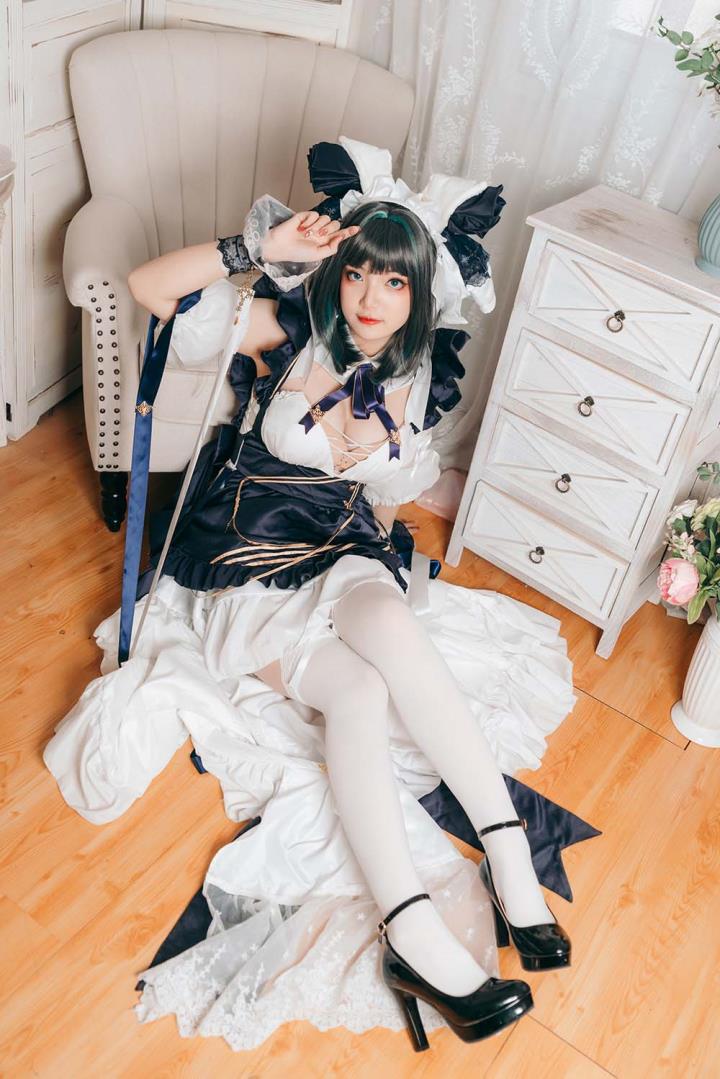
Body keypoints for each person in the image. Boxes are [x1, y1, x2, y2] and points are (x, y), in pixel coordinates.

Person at [44, 138, 574, 1052]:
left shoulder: (415, 374)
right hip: (246, 558)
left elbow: (392, 494)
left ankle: (508, 855)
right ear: (336, 270)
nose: (371, 296)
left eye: (394, 282)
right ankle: (411, 929)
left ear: (419, 294)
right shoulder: (285, 331)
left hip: (342, 547)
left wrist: (384, 501)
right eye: (359, 271)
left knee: (392, 624)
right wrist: (261, 248)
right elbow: (147, 288)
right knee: (358, 691)